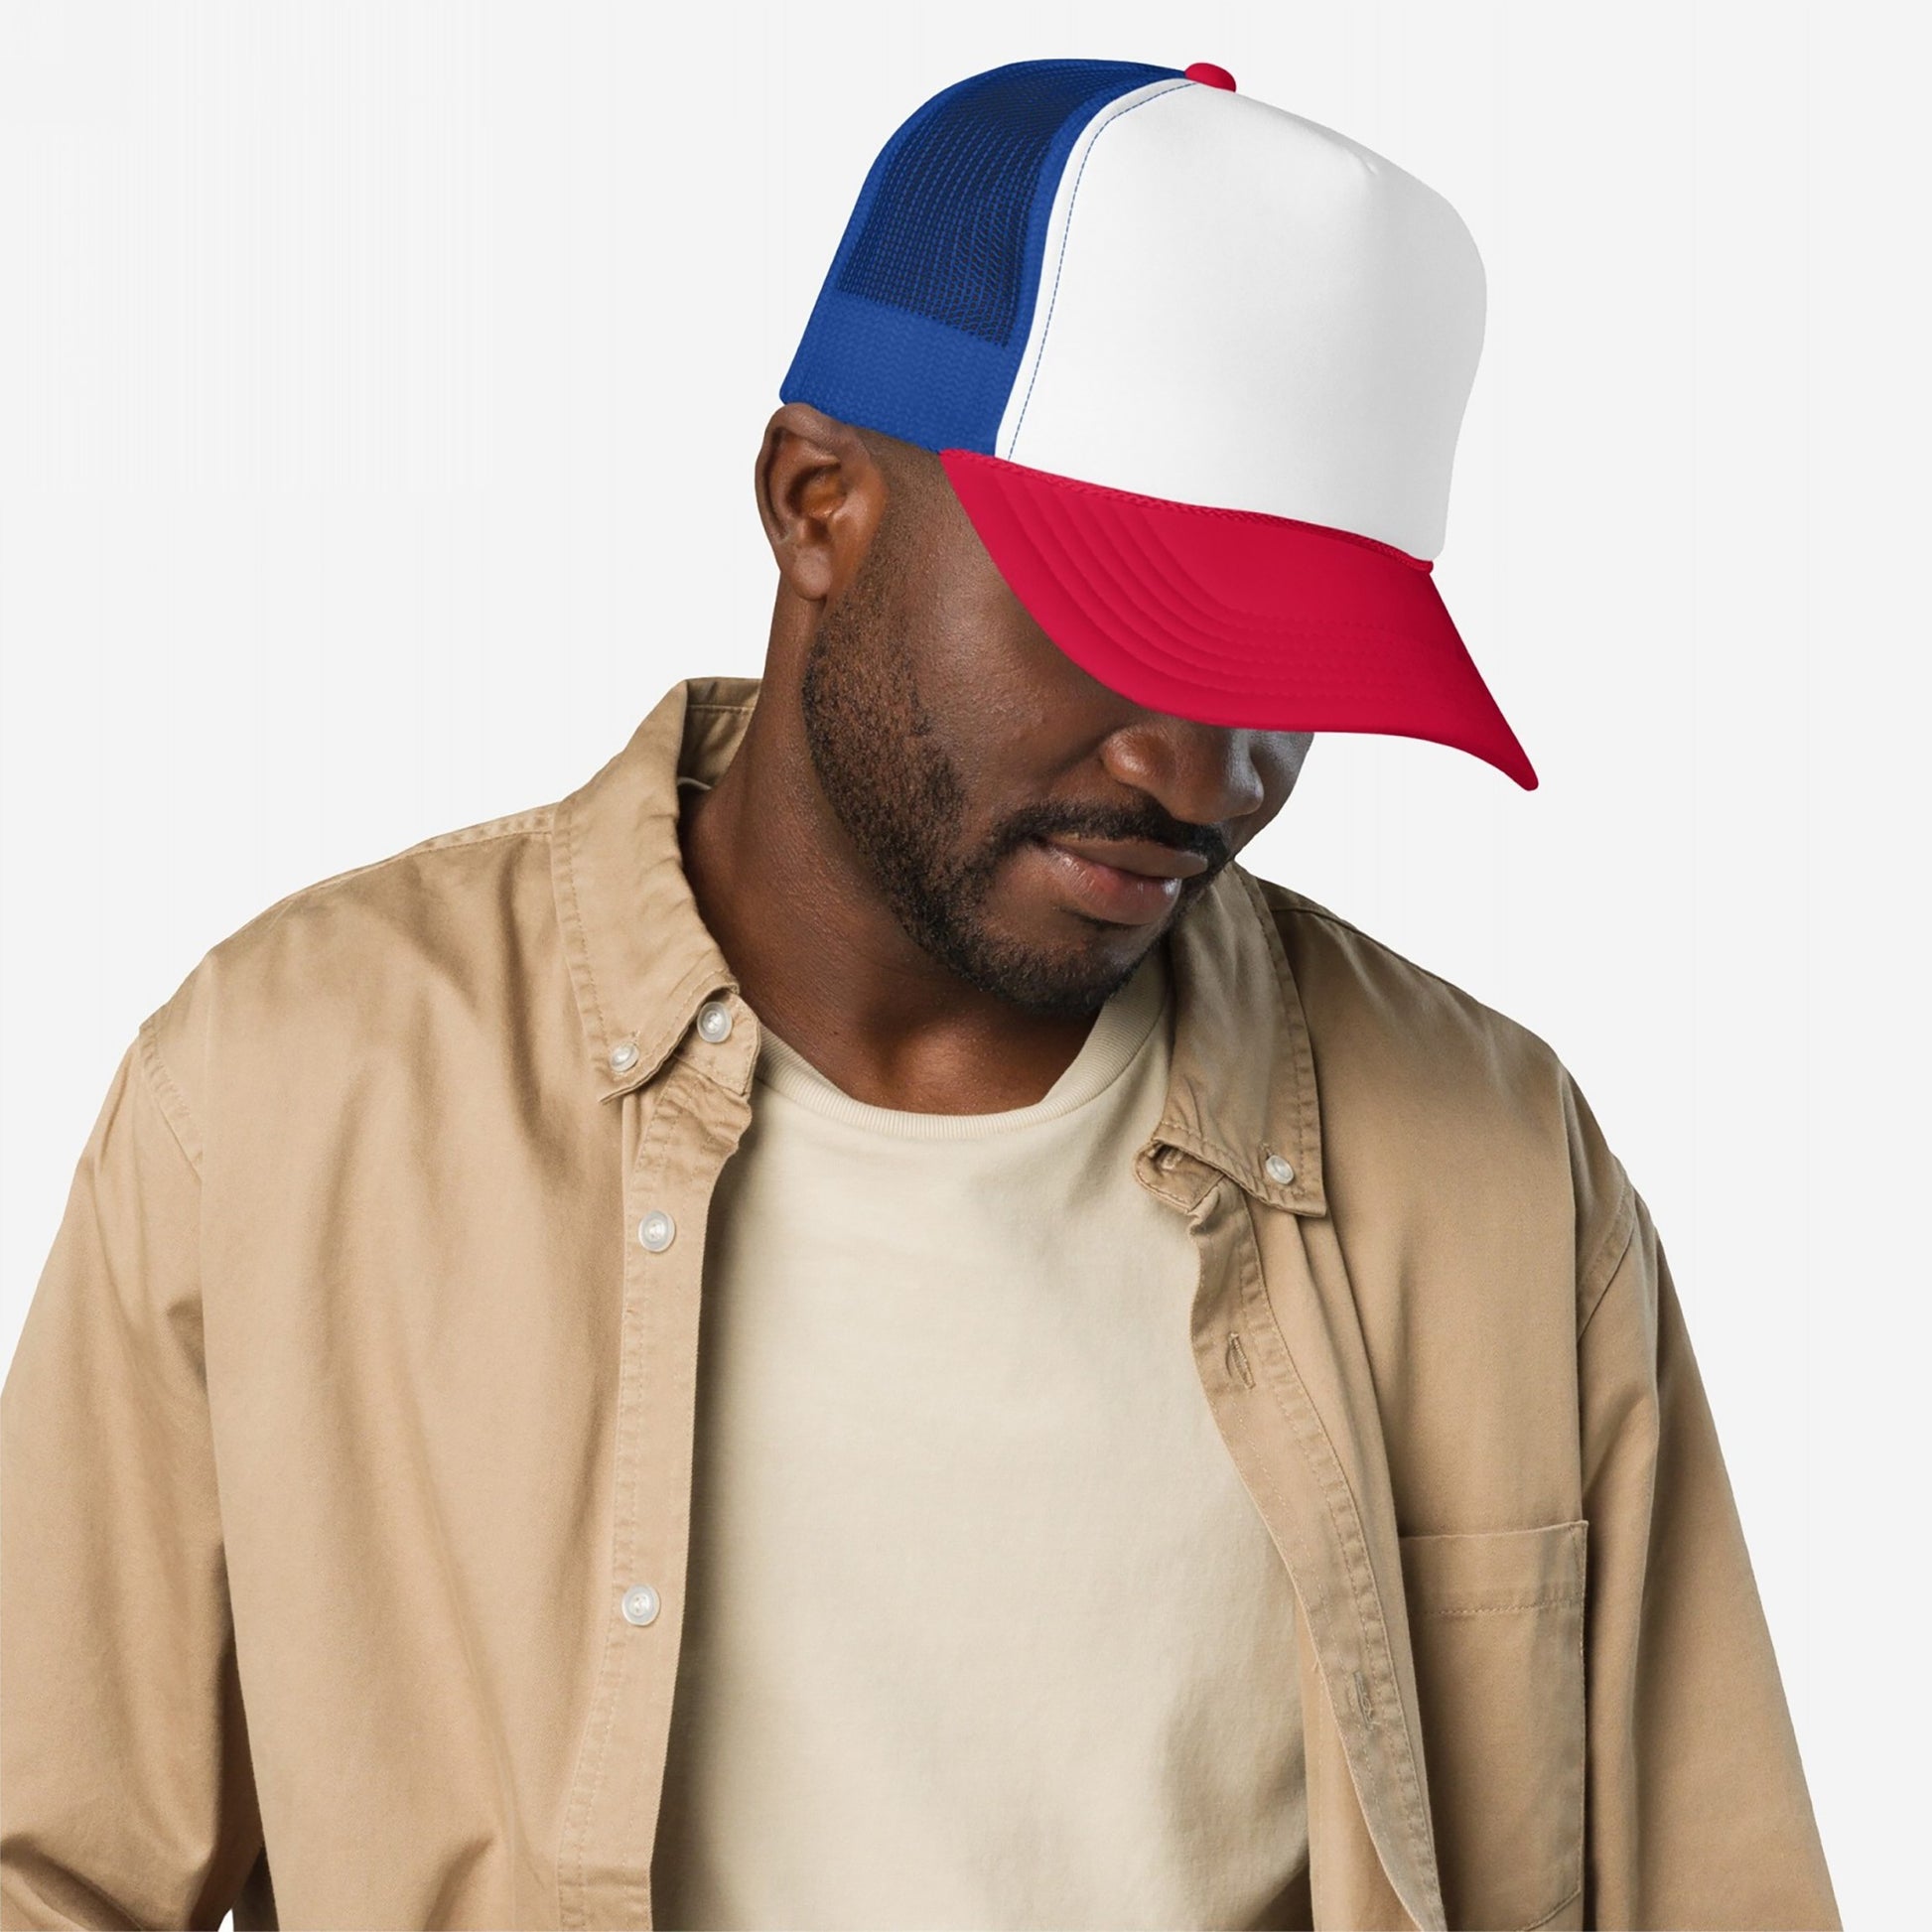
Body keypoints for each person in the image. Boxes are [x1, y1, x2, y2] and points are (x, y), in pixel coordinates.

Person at [0, 56, 1837, 1932]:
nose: (1202, 781)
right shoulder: (290, 1094)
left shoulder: (1490, 1169)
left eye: (1287, 680)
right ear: (817, 504)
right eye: (1131, 633)